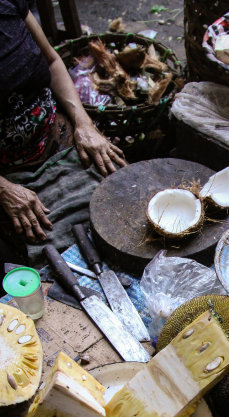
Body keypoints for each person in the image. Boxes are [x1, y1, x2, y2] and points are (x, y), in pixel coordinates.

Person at [0, 0, 127, 245]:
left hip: (55, 134)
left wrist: (84, 125)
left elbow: (52, 61)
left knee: (124, 198)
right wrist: (4, 190)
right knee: (50, 244)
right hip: (8, 172)